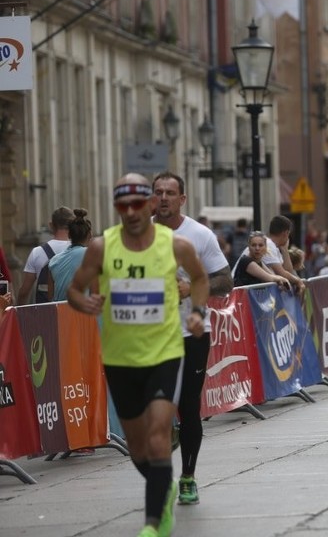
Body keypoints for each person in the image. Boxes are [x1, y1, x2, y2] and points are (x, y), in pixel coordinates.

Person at [67, 173, 210, 537]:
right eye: (122, 205)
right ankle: (164, 486)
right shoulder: (101, 247)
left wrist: (197, 312)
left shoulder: (175, 245)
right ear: (117, 207)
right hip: (121, 359)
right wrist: (85, 303)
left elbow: (200, 278)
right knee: (138, 448)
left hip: (165, 352)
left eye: (137, 204)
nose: (131, 212)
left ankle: (153, 523)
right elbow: (74, 290)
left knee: (160, 435)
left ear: (148, 204)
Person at [152, 172, 234, 507]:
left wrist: (192, 288)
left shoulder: (200, 235)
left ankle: (187, 477)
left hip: (192, 333)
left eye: (170, 193)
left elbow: (225, 281)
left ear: (182, 199)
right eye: (158, 192)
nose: (164, 198)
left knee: (188, 407)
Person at [17, 206, 74, 304]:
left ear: (51, 225)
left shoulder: (37, 252)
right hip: (74, 314)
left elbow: (24, 292)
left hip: (45, 315)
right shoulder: (81, 251)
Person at [235, 216, 304, 293]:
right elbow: (272, 277)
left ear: (265, 247)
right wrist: (298, 281)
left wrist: (285, 250)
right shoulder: (247, 261)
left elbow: (279, 274)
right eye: (253, 245)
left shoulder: (259, 261)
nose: (257, 248)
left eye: (260, 245)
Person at [47, 208, 93, 301]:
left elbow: (50, 298)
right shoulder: (91, 256)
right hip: (83, 313)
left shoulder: (53, 261)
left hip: (61, 314)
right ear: (89, 235)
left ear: (69, 235)